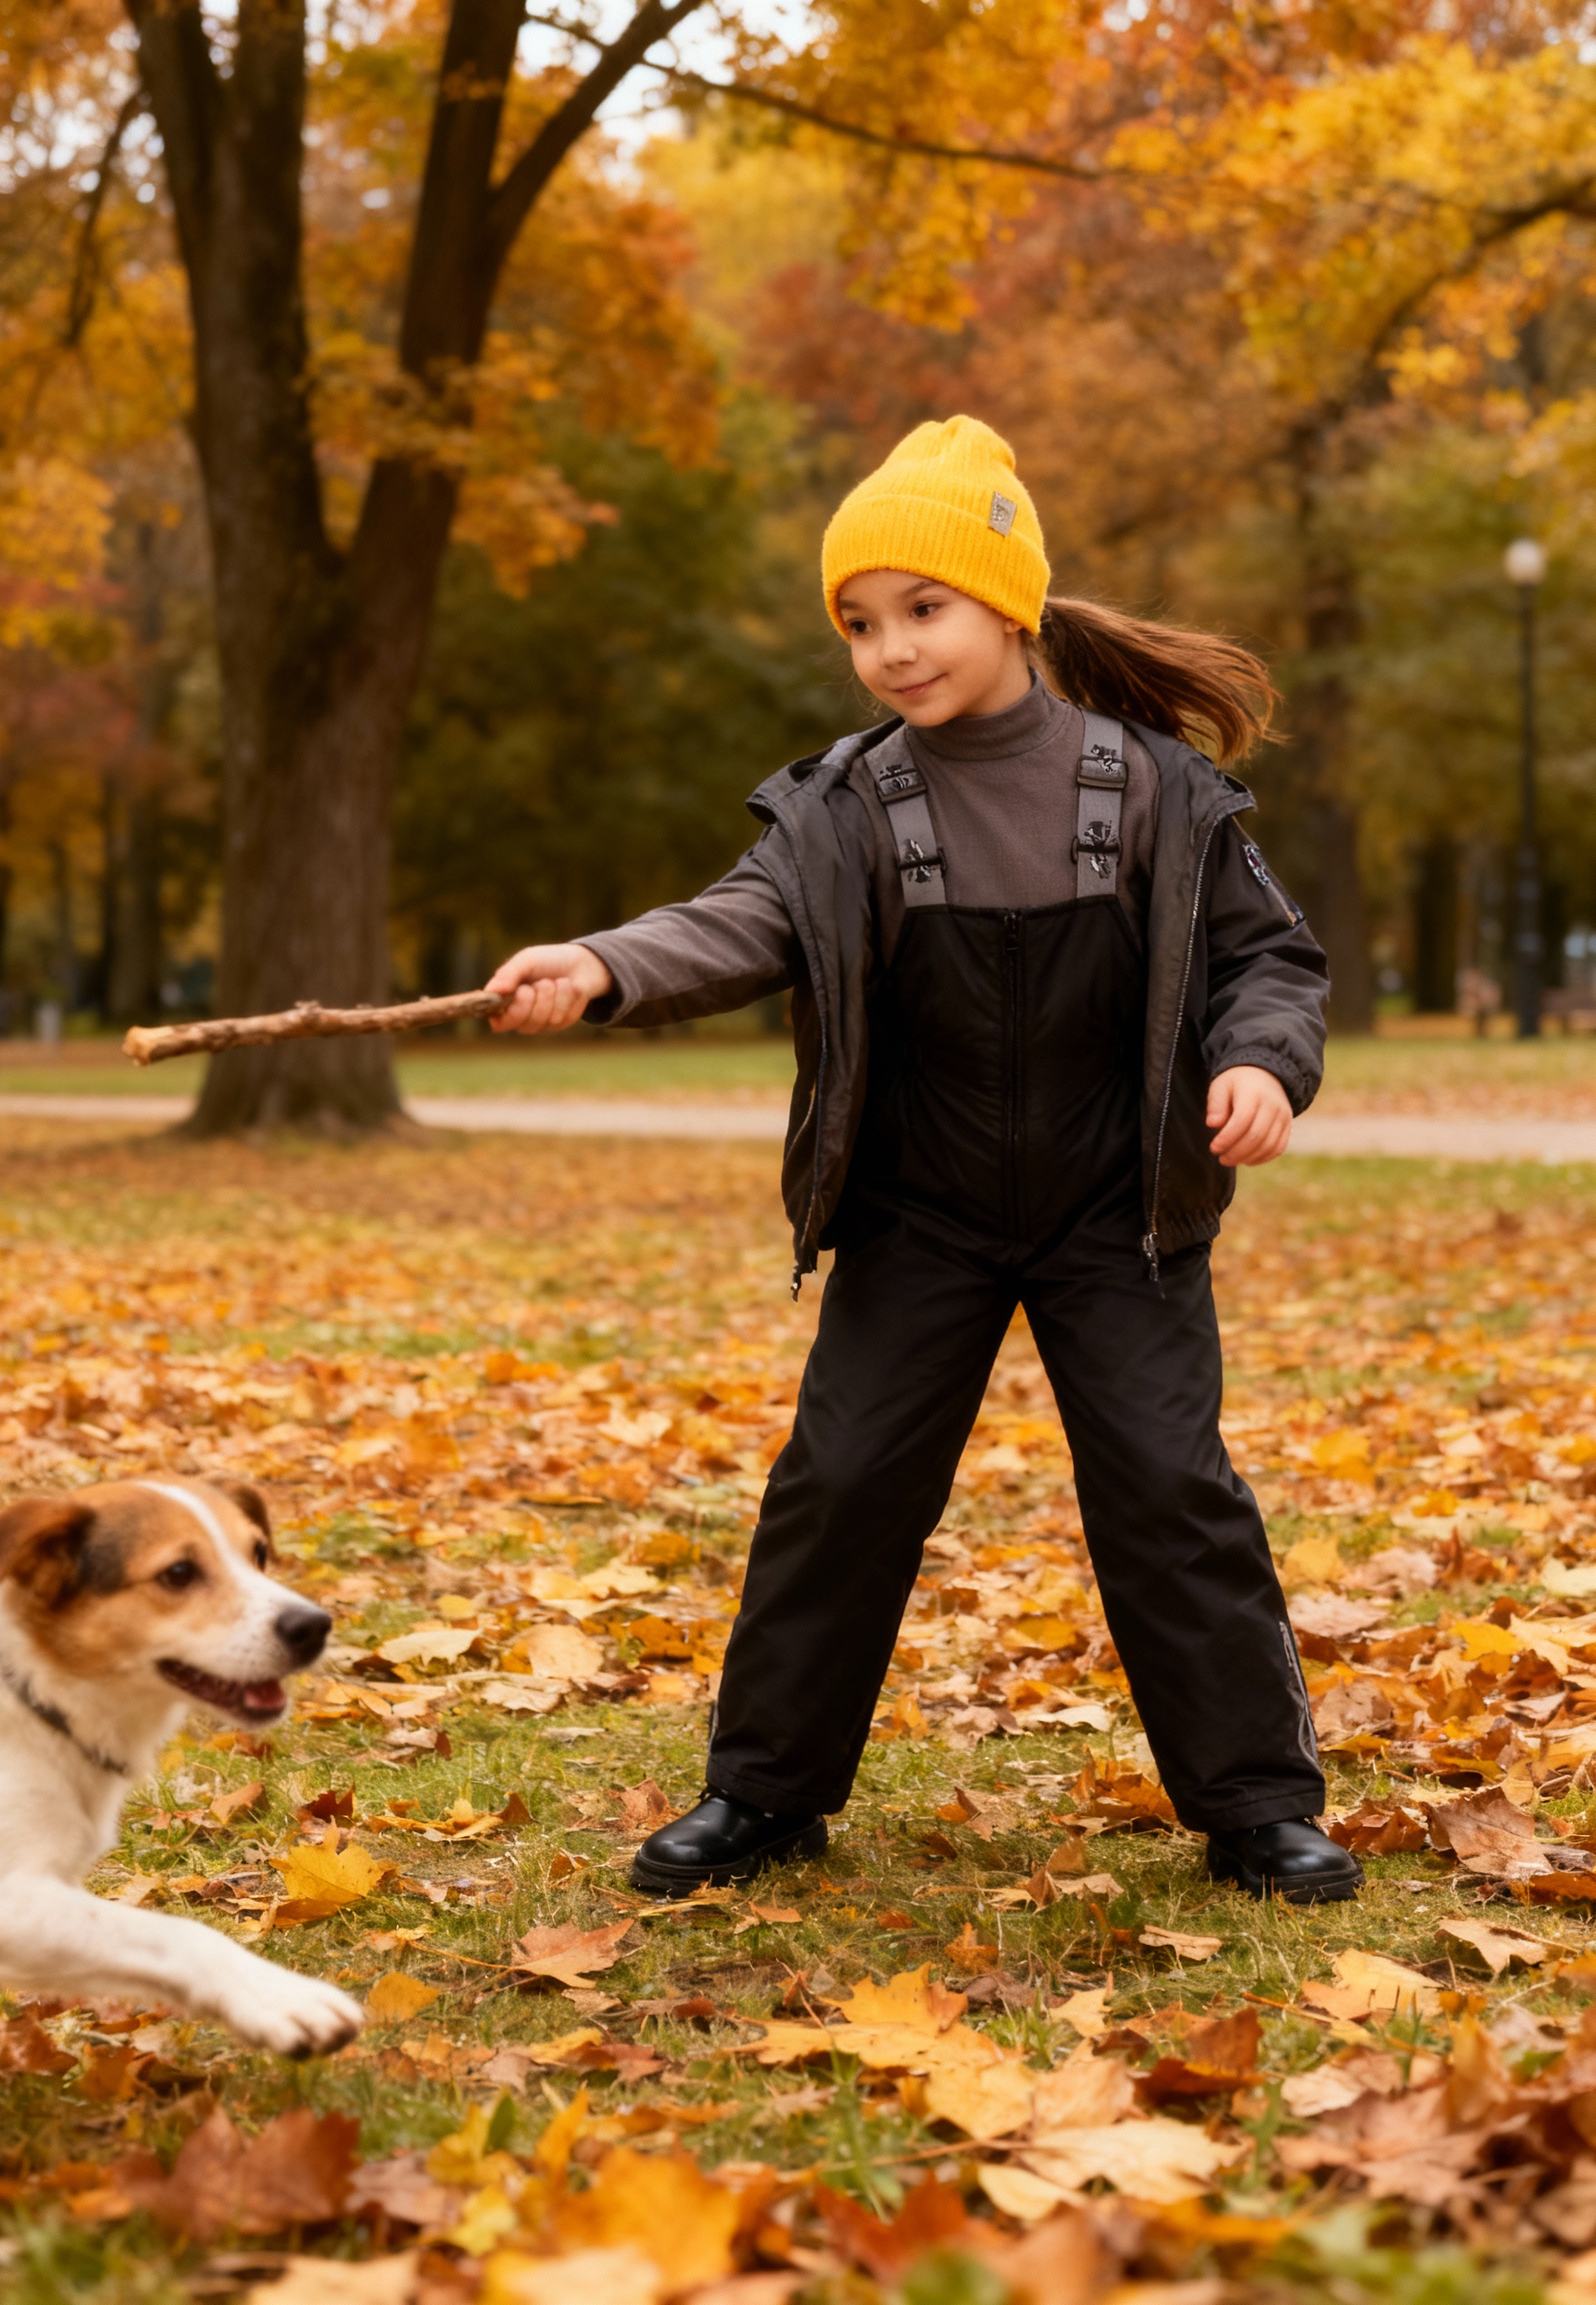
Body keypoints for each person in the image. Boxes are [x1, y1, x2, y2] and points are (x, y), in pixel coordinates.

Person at [485, 416, 1357, 1907]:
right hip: (920, 1219)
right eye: (860, 622)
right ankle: (763, 1795)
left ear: (1008, 601)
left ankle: (1256, 1806)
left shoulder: (1153, 786)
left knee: (1169, 1488)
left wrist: (1259, 1063)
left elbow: (1269, 962)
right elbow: (732, 923)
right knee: (841, 1484)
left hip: (1118, 1217)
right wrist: (603, 965)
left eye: (923, 609)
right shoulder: (841, 808)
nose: (891, 649)